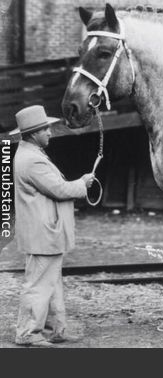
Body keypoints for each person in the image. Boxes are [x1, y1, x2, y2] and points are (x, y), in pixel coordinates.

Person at [13, 105, 95, 347]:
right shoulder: (32, 161)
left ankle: (55, 330)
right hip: (42, 233)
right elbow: (60, 190)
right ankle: (28, 333)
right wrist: (82, 183)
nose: (50, 132)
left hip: (44, 232)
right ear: (33, 133)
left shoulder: (31, 154)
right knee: (39, 284)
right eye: (45, 128)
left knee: (51, 283)